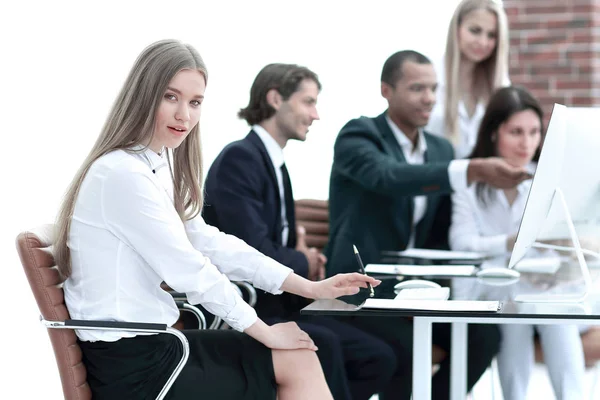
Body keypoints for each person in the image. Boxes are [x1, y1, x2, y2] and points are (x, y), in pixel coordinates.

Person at [53, 39, 380, 400]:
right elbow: (189, 269)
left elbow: (209, 242)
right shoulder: (122, 174)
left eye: (195, 102)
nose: (185, 115)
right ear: (143, 95)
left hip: (156, 344)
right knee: (295, 355)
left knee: (299, 353)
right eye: (170, 97)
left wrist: (309, 287)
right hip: (133, 364)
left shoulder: (153, 165)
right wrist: (263, 331)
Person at [325, 50, 530, 400]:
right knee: (407, 348)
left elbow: (442, 231)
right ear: (386, 90)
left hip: (418, 289)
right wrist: (473, 169)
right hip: (361, 290)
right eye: (418, 88)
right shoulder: (359, 135)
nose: (430, 98)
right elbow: (389, 176)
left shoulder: (439, 149)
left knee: (485, 337)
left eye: (435, 88)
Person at [203, 63, 396, 400]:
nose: (316, 114)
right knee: (329, 345)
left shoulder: (274, 162)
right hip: (249, 308)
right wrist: (304, 260)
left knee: (378, 357)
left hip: (280, 302)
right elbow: (253, 250)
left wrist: (305, 256)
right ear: (276, 98)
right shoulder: (240, 159)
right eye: (308, 102)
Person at [449, 86, 586, 400]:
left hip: (543, 284)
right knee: (514, 305)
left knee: (556, 308)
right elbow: (462, 243)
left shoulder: (547, 177)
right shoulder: (471, 182)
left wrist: (559, 243)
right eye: (516, 132)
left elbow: (563, 240)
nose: (527, 143)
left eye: (534, 132)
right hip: (491, 285)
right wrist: (510, 242)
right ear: (495, 132)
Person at [426, 0, 510, 159]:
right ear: (456, 28)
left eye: (492, 35)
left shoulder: (500, 82)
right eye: (475, 30)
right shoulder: (430, 74)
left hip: (484, 180)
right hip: (435, 177)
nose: (483, 42)